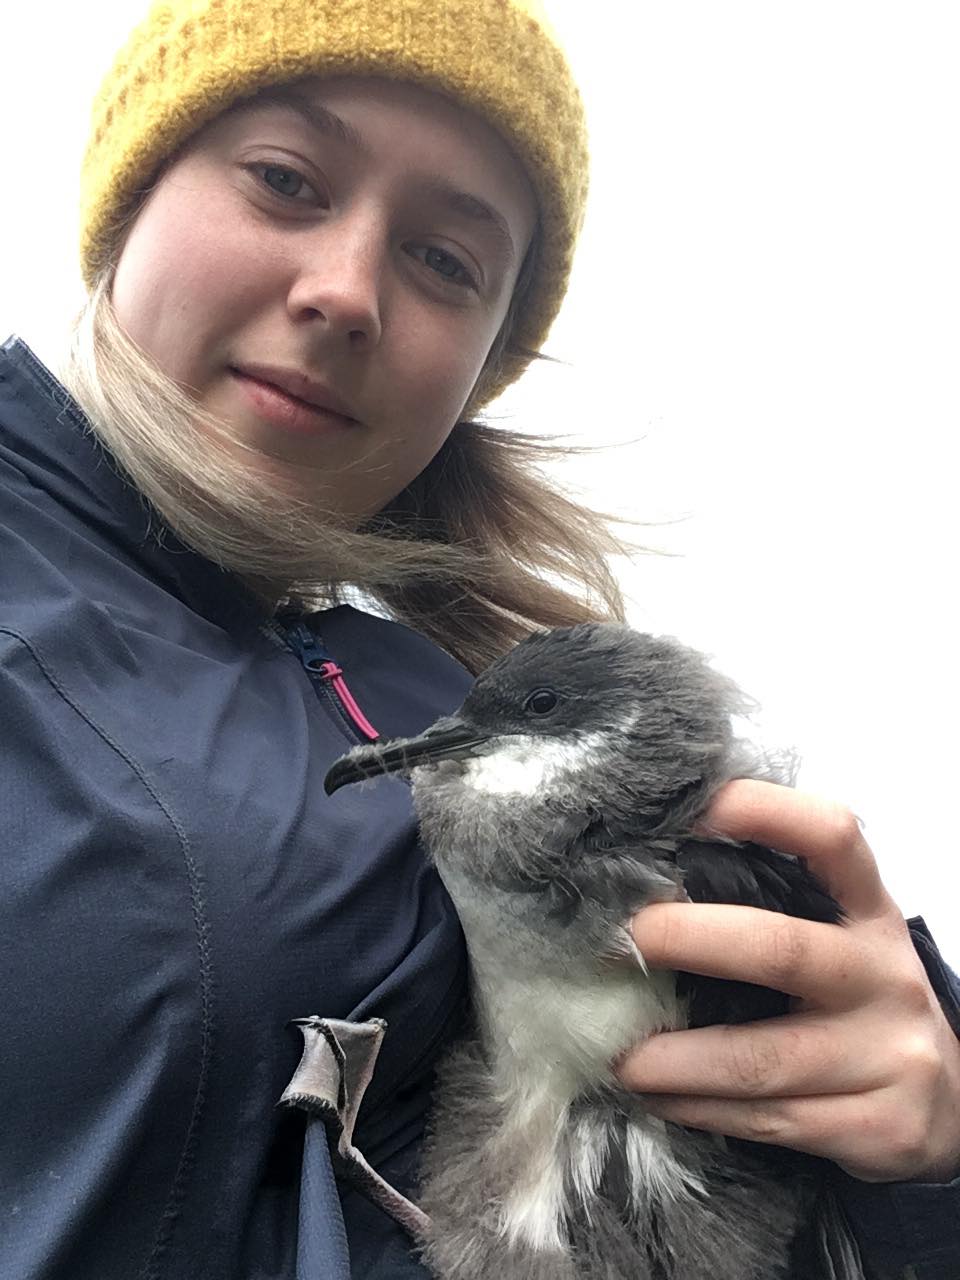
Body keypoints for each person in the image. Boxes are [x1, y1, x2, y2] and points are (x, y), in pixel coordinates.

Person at [0, 0, 957, 1277]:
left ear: (483, 360)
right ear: (124, 203)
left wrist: (926, 1149)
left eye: (446, 260)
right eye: (286, 179)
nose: (345, 292)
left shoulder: (450, 680)